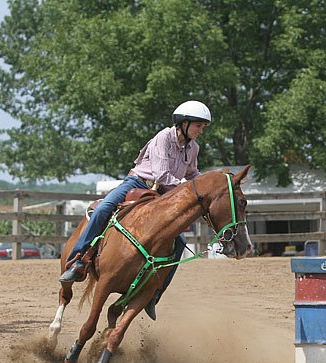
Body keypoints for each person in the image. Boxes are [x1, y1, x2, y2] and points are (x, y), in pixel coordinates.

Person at [59, 100, 212, 320]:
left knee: (178, 243)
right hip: (138, 183)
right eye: (198, 125)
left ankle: (154, 294)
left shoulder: (193, 148)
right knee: (104, 209)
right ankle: (78, 261)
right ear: (184, 123)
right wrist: (190, 190)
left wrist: (207, 184)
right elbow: (161, 175)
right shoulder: (163, 138)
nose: (201, 130)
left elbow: (192, 174)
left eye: (203, 127)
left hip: (163, 194)